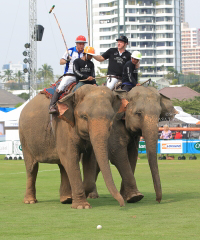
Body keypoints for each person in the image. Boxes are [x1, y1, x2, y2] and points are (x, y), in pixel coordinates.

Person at [49, 35, 87, 114]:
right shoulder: (70, 51)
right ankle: (52, 105)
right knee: (61, 86)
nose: (81, 46)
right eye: (80, 44)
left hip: (81, 76)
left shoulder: (85, 53)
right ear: (76, 44)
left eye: (83, 44)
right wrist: (67, 60)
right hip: (70, 75)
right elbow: (61, 62)